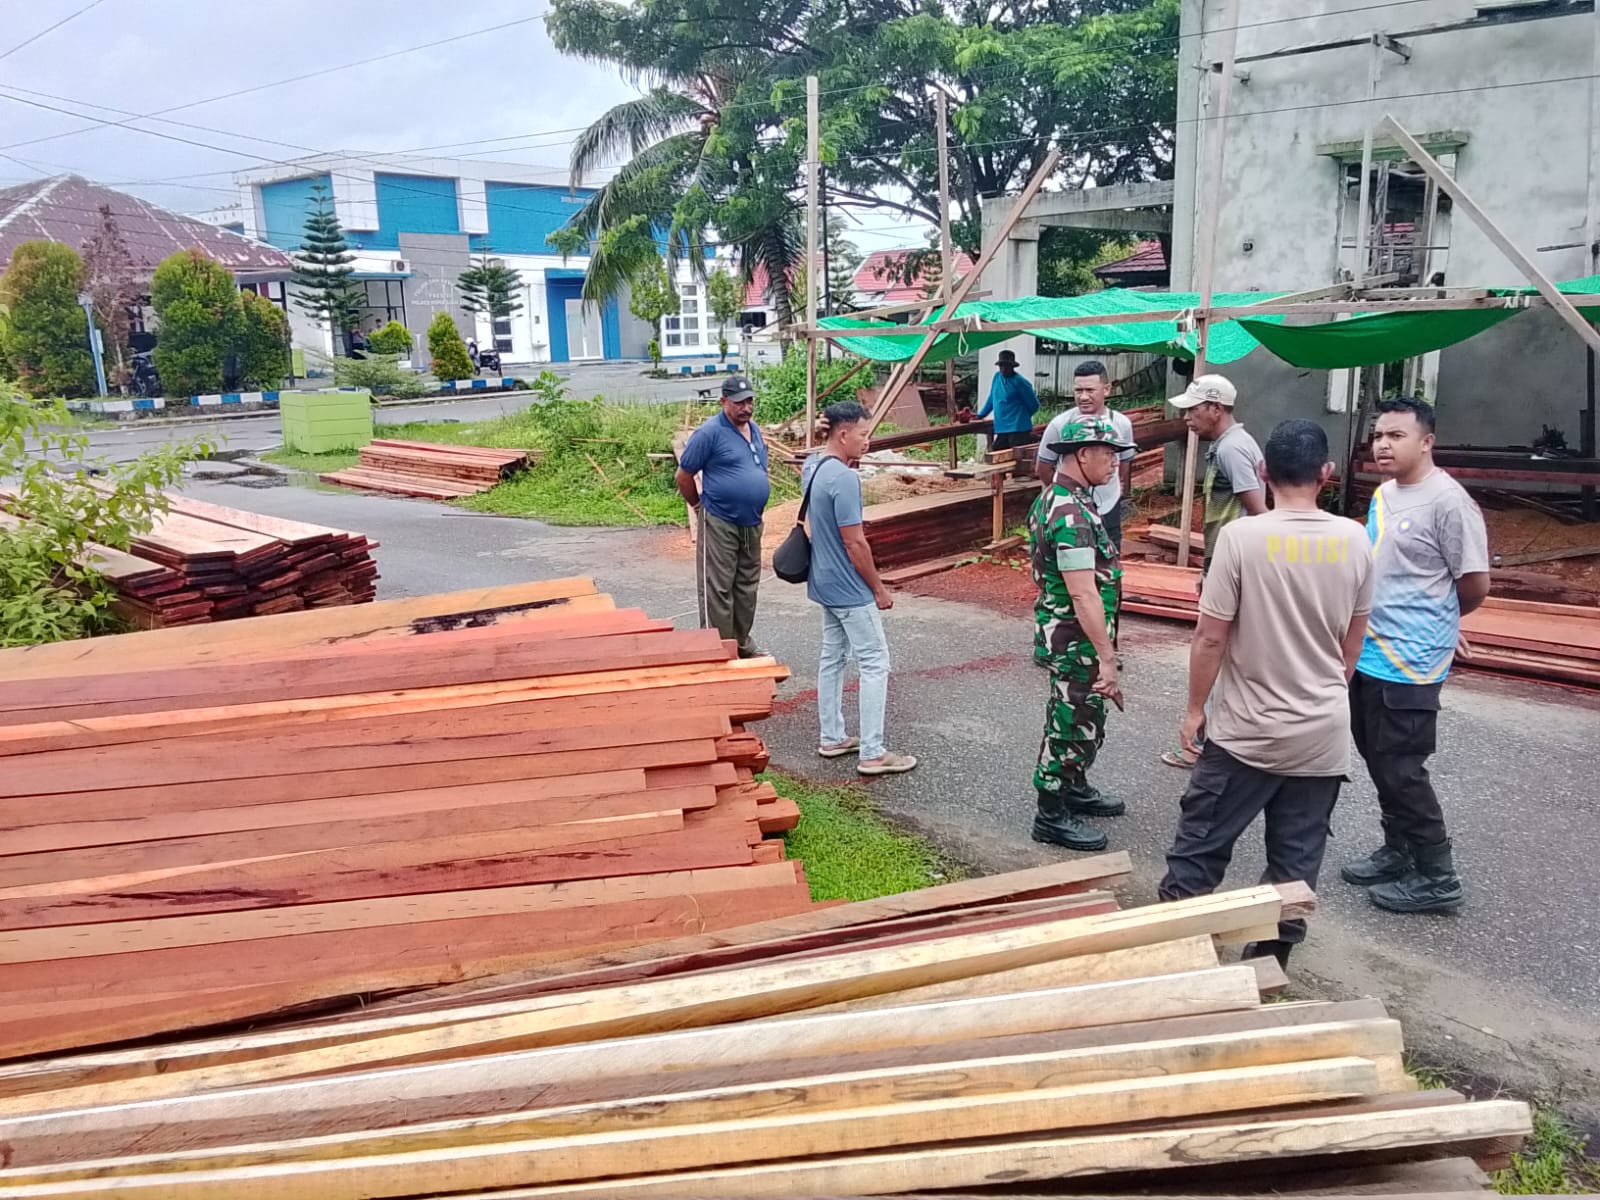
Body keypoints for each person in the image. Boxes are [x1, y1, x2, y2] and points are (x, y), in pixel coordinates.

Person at [1157, 420, 1375, 968]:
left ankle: (1175, 958)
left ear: (1261, 471)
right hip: (1321, 736)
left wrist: (1192, 711)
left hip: (1246, 732)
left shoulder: (1241, 539)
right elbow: (1355, 638)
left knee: (1202, 844)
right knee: (1296, 860)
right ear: (1326, 474)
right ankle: (1268, 967)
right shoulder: (1354, 539)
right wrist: (1323, 693)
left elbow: (1211, 634)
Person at [1342, 396, 1489, 914]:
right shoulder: (1385, 495)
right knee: (1376, 756)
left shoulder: (1448, 503)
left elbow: (1473, 585)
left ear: (1426, 441)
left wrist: (1443, 624)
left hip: (1411, 661)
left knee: (1402, 768)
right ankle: (1399, 848)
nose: (1383, 444)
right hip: (1371, 652)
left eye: (1396, 436)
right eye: (1379, 435)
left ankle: (1437, 874)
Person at [1028, 416, 1131, 851]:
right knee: (1070, 721)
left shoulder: (1069, 499)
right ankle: (1051, 811)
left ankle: (1074, 786)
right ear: (1082, 455)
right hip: (1076, 638)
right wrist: (1107, 658)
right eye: (1108, 454)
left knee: (1087, 715)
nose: (1114, 463)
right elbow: (1084, 593)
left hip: (1080, 637)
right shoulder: (1069, 512)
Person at [801, 401, 917, 776]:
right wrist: (879, 589)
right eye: (864, 434)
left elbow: (811, 527)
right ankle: (872, 752)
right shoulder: (845, 479)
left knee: (832, 657)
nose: (868, 441)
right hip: (850, 588)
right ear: (843, 434)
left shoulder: (812, 465)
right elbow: (855, 543)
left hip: (823, 580)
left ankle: (833, 736)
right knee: (874, 662)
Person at [1160, 372, 1268, 769]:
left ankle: (1205, 745)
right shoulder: (1230, 444)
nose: (1187, 417)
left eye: (1193, 409)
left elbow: (1257, 511)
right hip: (1226, 564)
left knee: (1214, 648)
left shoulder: (1232, 449)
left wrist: (1229, 569)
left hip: (1234, 567)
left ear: (1215, 408)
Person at [676, 375, 770, 659]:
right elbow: (683, 475)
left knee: (746, 585)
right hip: (719, 518)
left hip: (751, 521)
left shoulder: (754, 430)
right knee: (718, 586)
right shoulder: (709, 433)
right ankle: (718, 648)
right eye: (740, 402)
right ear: (724, 402)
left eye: (750, 401)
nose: (747, 408)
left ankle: (741, 642)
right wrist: (697, 507)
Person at [1035, 361, 1137, 547]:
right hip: (1070, 507)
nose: (1083, 397)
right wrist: (1066, 494)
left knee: (1110, 554)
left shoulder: (1121, 424)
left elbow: (1124, 464)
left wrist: (1116, 489)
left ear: (1106, 389)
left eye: (1090, 390)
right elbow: (1043, 468)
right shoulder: (1060, 425)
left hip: (1108, 503)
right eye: (1078, 390)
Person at [975, 349, 1040, 451]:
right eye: (1001, 366)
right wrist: (980, 415)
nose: (1003, 369)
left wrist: (1021, 416)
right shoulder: (997, 377)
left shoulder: (1020, 382)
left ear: (1012, 367)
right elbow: (992, 398)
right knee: (996, 452)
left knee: (1017, 457)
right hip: (1002, 427)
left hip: (1018, 428)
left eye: (1007, 366)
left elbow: (1034, 405)